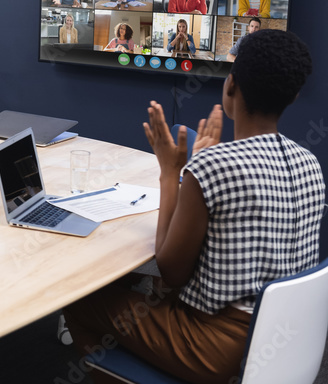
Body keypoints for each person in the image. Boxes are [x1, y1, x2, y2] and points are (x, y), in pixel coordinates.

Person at [64, 29, 323, 384]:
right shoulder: (309, 162)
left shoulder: (215, 166)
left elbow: (170, 269)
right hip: (285, 338)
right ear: (293, 96)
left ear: (230, 86)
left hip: (218, 346)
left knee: (81, 302)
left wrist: (172, 173)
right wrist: (195, 173)